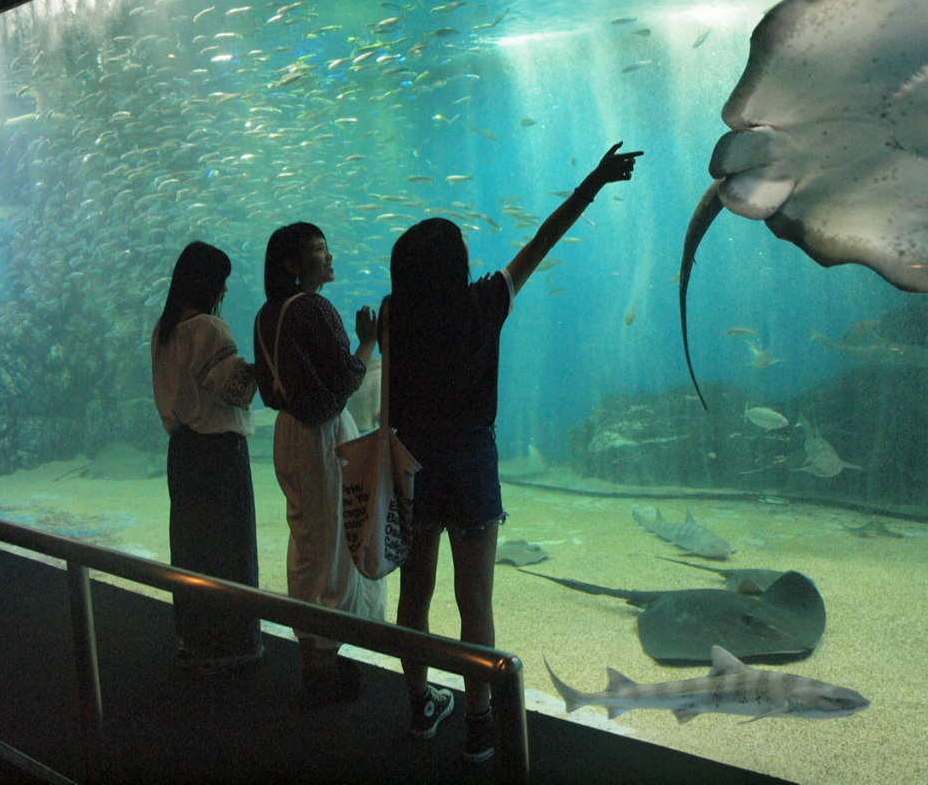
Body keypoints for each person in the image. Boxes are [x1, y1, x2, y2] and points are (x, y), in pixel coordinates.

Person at [387, 142, 641, 762]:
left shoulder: (395, 314)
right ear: (457, 265)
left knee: (414, 596)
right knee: (475, 602)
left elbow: (389, 400)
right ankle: (478, 720)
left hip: (412, 462)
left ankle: (420, 706)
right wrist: (594, 181)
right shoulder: (486, 303)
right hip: (472, 466)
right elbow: (541, 244)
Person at [253, 222, 386, 706]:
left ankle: (314, 650)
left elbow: (269, 390)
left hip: (288, 433)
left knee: (308, 540)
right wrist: (367, 340)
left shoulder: (267, 314)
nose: (328, 258)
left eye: (327, 247)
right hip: (323, 439)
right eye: (317, 250)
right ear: (293, 264)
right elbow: (346, 379)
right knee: (333, 544)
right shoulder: (314, 308)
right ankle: (322, 663)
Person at [150, 241, 263, 675]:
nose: (226, 290)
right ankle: (230, 647)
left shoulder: (163, 329)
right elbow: (236, 391)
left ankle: (193, 639)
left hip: (182, 452)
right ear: (209, 284)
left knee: (192, 547)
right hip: (218, 455)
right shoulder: (208, 330)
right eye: (223, 282)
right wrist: (268, 366)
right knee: (227, 549)